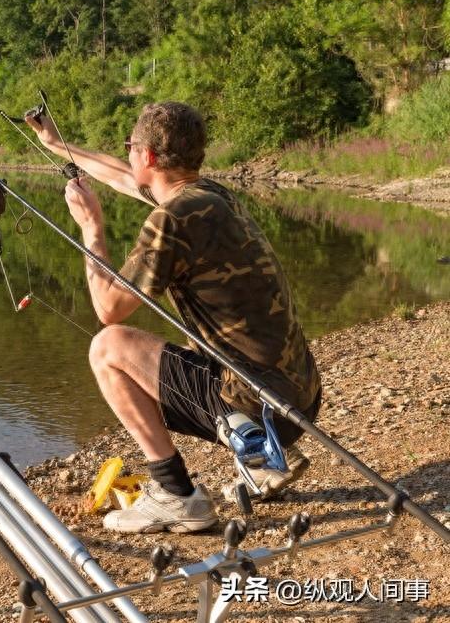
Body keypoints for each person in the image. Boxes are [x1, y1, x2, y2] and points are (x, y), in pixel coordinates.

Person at [25, 102, 321, 533]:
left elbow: (108, 309)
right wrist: (55, 144)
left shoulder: (170, 220)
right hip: (302, 398)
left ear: (147, 156)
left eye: (130, 147)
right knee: (188, 346)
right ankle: (265, 458)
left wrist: (92, 230)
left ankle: (175, 495)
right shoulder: (212, 197)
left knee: (108, 349)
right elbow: (118, 176)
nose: (126, 155)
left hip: (262, 405)